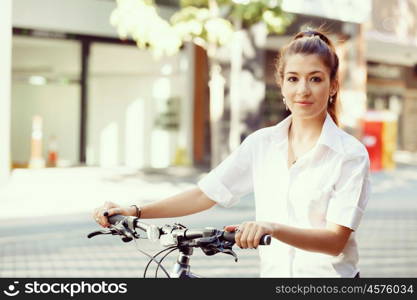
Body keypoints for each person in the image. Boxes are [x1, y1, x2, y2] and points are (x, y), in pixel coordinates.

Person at [93, 29, 370, 278]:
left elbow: (335, 241)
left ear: (333, 86)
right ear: (281, 84)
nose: (303, 90)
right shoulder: (262, 144)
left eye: (316, 79)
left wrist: (271, 228)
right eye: (293, 78)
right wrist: (135, 211)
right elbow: (206, 193)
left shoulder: (349, 155)